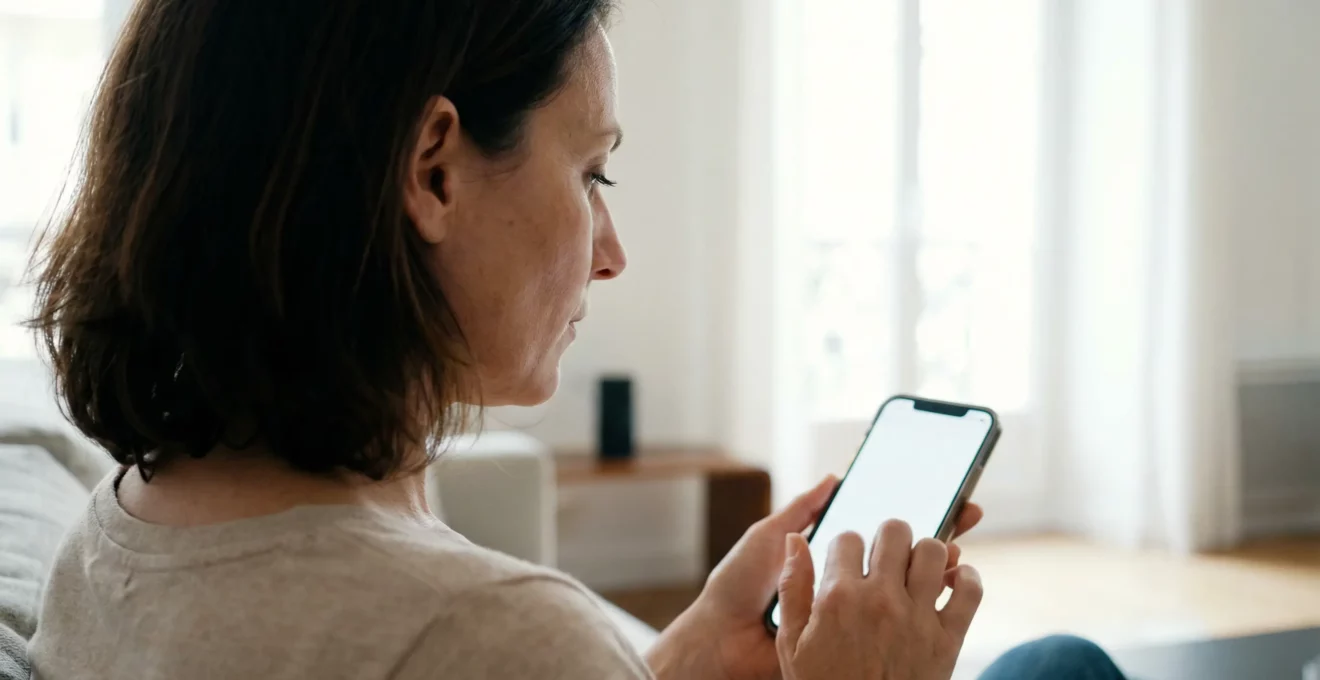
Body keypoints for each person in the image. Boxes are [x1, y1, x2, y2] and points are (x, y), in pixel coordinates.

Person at [24, 1, 1128, 678]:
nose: (611, 249)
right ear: (434, 169)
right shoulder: (495, 633)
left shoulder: (111, 531)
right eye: (591, 170)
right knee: (1067, 663)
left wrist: (670, 660)